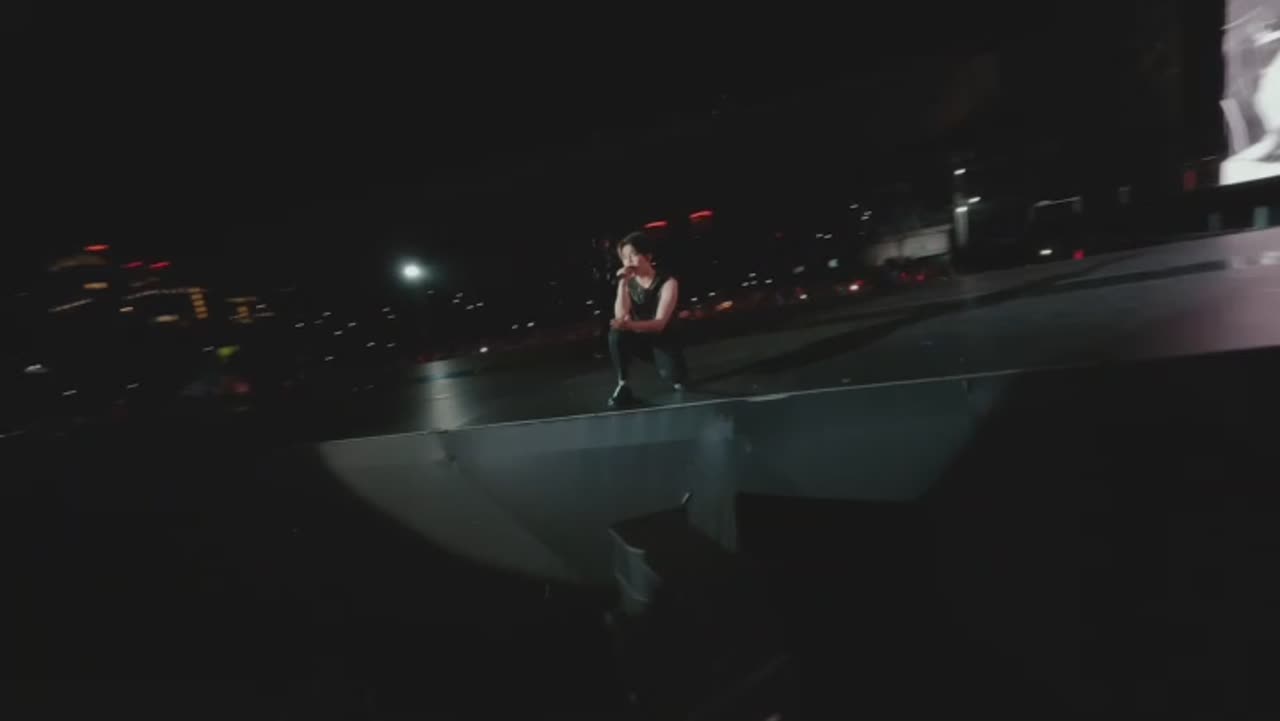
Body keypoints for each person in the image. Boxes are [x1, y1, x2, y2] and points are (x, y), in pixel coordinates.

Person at [607, 231, 688, 408]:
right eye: (624, 258)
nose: (628, 262)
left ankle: (673, 370)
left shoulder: (668, 282)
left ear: (648, 256)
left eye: (633, 255)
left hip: (665, 339)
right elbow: (620, 316)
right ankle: (623, 385)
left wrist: (629, 325)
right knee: (616, 333)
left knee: (676, 379)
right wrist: (622, 284)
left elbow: (660, 324)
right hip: (641, 337)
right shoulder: (629, 283)